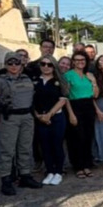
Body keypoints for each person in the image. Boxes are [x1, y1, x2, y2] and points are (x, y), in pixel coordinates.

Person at [0, 52, 42, 195]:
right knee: (8, 150)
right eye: (10, 63)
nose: (13, 66)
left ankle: (25, 175)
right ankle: (6, 179)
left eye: (17, 63)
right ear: (5, 64)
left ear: (21, 64)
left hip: (27, 117)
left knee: (25, 148)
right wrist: (0, 115)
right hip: (10, 118)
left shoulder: (27, 78)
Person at [32, 55, 70, 186]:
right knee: (45, 146)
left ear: (54, 67)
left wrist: (49, 115)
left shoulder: (59, 81)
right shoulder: (35, 81)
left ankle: (58, 172)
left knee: (57, 145)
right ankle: (50, 171)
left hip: (56, 117)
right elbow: (31, 100)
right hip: (40, 118)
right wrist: (38, 116)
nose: (46, 67)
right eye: (43, 64)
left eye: (49, 64)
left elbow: (62, 100)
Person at [64, 51, 99, 178]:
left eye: (82, 60)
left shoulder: (88, 75)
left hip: (88, 106)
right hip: (74, 106)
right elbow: (65, 96)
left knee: (88, 136)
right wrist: (71, 113)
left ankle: (86, 164)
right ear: (73, 62)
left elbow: (95, 94)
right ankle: (78, 166)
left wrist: (93, 81)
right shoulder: (68, 75)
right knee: (76, 137)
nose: (80, 62)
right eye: (77, 60)